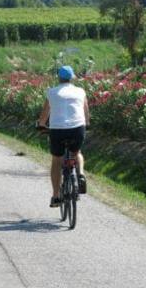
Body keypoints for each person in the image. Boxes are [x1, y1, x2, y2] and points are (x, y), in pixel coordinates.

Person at [37, 65, 89, 207]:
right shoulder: (80, 91)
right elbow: (86, 111)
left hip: (58, 130)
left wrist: (41, 124)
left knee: (57, 160)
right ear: (72, 78)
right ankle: (81, 174)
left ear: (59, 78)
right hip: (78, 128)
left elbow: (45, 113)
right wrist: (87, 124)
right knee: (76, 152)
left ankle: (56, 196)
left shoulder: (52, 92)